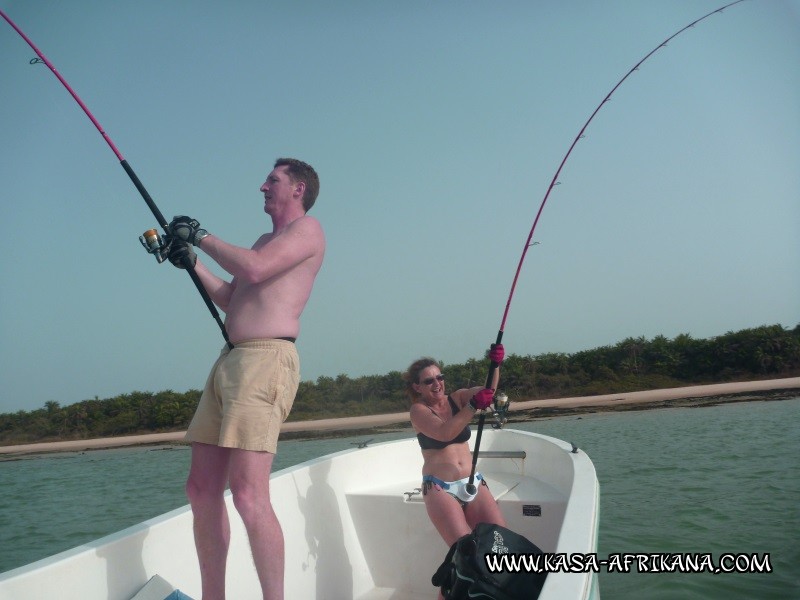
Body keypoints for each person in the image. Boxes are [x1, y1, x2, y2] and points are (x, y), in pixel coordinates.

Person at [166, 158, 325, 600]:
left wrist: (202, 234)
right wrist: (192, 261)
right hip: (229, 361)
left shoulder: (308, 231)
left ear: (298, 189)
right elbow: (232, 296)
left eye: (272, 180)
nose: (262, 186)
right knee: (200, 489)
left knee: (249, 496)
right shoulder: (262, 241)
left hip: (266, 361)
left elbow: (254, 269)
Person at [405, 344, 507, 554]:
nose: (437, 383)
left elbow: (488, 392)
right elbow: (445, 433)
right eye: (429, 381)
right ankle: (449, 588)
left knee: (500, 542)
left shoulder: (458, 398)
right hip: (440, 489)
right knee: (465, 552)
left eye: (439, 377)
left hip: (473, 482)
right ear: (417, 387)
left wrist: (495, 365)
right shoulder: (418, 411)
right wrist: (472, 407)